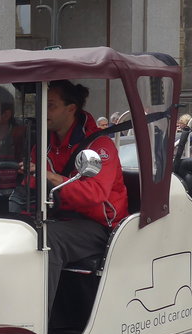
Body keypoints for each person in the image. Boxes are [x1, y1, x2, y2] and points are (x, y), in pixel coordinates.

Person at [39, 80, 128, 312]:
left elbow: (95, 193)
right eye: (41, 105)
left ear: (71, 109)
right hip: (59, 217)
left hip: (100, 225)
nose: (43, 111)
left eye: (50, 105)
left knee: (46, 239)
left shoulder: (100, 146)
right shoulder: (43, 143)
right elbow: (30, 179)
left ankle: (37, 322)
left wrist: (53, 179)